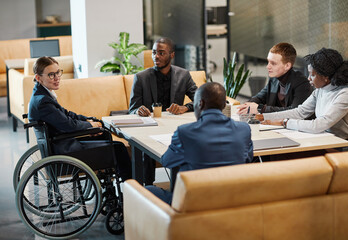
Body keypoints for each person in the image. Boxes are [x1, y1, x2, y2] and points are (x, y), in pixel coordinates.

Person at [146, 82, 253, 204]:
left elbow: (167, 161)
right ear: (224, 105)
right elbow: (248, 158)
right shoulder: (244, 129)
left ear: (200, 104)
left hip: (194, 203)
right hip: (231, 200)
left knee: (147, 190)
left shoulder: (185, 132)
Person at [28, 56, 132, 180]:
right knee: (119, 148)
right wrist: (90, 126)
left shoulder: (42, 95)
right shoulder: (43, 102)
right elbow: (68, 125)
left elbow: (67, 114)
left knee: (102, 135)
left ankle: (113, 188)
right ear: (38, 78)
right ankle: (130, 189)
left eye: (58, 73)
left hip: (62, 144)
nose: (57, 78)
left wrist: (89, 120)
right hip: (65, 151)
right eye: (51, 75)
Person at [256, 48, 348, 149]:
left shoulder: (345, 94)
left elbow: (318, 125)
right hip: (329, 139)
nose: (308, 78)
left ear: (326, 77)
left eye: (313, 75)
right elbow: (300, 112)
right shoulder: (320, 91)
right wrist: (263, 117)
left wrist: (285, 122)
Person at [128, 37, 198, 185]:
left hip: (175, 127)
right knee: (143, 146)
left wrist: (185, 107)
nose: (156, 57)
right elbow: (132, 108)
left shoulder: (183, 75)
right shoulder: (141, 78)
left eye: (161, 53)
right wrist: (138, 111)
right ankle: (146, 187)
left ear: (172, 55)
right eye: (154, 52)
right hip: (150, 129)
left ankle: (183, 186)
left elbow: (199, 99)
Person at [237, 42, 313, 115]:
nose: (268, 67)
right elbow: (260, 97)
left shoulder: (301, 83)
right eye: (268, 62)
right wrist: (248, 105)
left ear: (287, 66)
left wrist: (261, 108)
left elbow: (294, 112)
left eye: (273, 63)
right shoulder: (274, 79)